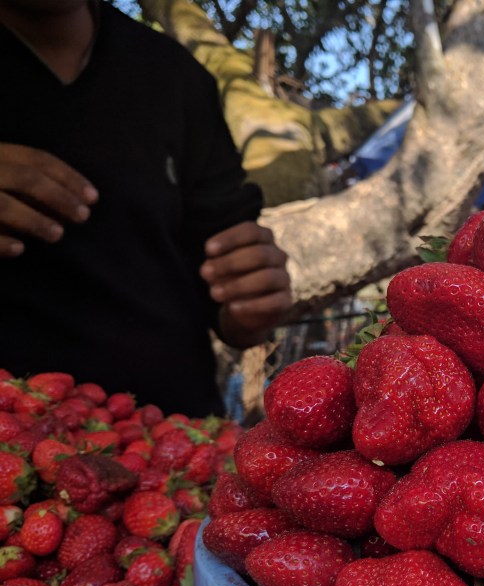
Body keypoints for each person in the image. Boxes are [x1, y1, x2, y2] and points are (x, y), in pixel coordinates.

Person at [0, 0, 292, 417]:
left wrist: (252, 299)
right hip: (15, 430)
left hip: (175, 432)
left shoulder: (176, 77)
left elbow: (231, 283)